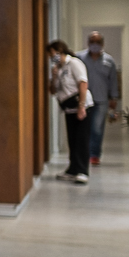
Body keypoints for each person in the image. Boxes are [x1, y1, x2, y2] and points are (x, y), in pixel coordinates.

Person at [48, 40, 93, 184]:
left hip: (81, 106)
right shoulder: (58, 68)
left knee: (81, 139)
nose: (52, 57)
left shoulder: (74, 63)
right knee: (72, 140)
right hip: (69, 108)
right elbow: (53, 90)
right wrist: (54, 76)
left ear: (60, 51)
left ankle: (82, 171)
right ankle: (73, 169)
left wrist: (81, 106)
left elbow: (83, 83)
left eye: (53, 54)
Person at [76, 31, 120, 165]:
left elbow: (113, 80)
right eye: (92, 42)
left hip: (101, 99)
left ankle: (94, 154)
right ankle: (84, 153)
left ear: (102, 44)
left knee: (97, 128)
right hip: (84, 99)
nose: (95, 45)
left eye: (98, 42)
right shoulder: (79, 58)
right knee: (84, 128)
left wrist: (114, 98)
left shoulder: (109, 61)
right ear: (88, 43)